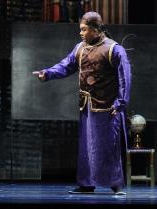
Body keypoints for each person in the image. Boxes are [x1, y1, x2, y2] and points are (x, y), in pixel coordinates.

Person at [32, 11, 131, 195]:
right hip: (87, 105)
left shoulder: (114, 49)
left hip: (108, 106)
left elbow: (124, 78)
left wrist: (120, 102)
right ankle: (86, 184)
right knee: (87, 146)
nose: (81, 33)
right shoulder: (80, 48)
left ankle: (115, 184)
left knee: (109, 145)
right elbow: (66, 65)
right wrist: (48, 73)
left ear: (95, 29)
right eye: (81, 29)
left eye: (84, 29)